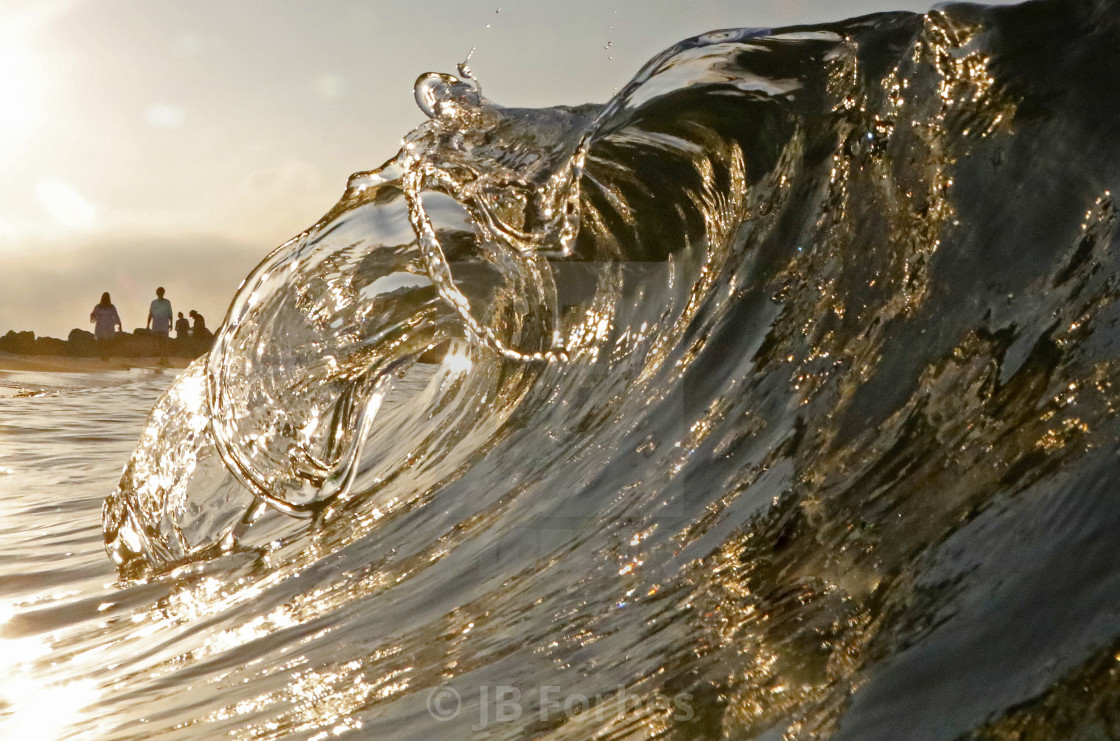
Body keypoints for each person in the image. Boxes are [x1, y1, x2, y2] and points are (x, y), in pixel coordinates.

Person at [90, 292, 122, 361]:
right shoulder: (98, 307)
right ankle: (103, 356)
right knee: (102, 342)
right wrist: (93, 316)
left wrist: (120, 324)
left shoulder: (112, 307)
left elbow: (116, 316)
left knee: (108, 342)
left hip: (109, 326)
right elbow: (93, 314)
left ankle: (106, 356)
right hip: (101, 327)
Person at [147, 287, 173, 363]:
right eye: (159, 292)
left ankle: (165, 359)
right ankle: (162, 359)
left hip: (164, 325)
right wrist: (148, 324)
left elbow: (170, 313)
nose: (160, 293)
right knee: (159, 343)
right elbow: (151, 314)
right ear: (157, 293)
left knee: (164, 342)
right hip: (156, 325)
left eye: (161, 292)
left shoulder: (167, 302)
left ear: (163, 293)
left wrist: (171, 323)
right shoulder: (154, 302)